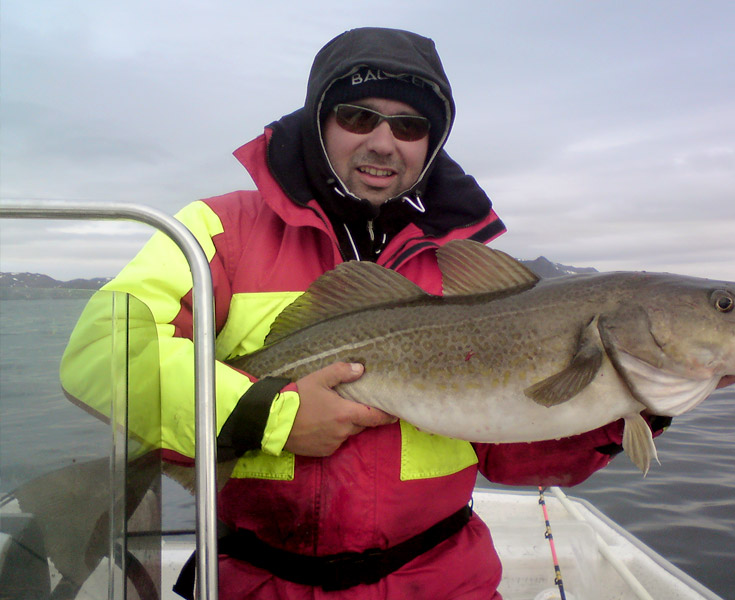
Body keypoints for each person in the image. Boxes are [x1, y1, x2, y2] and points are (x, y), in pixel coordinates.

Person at [61, 27, 672, 599]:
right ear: (319, 120)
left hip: (438, 582)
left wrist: (629, 399)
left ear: (431, 143)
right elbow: (104, 353)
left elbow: (511, 448)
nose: (384, 142)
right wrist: (272, 416)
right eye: (359, 117)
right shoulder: (217, 230)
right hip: (257, 581)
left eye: (410, 126)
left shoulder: (473, 270)